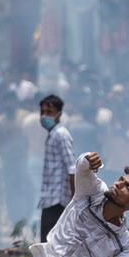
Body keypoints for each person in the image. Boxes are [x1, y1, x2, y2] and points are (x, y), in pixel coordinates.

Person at [37, 94, 75, 242]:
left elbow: (72, 167)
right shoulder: (53, 134)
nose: (44, 115)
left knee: (49, 244)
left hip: (58, 199)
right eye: (42, 112)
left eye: (49, 112)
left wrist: (74, 200)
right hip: (49, 197)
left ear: (59, 114)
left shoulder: (61, 134)